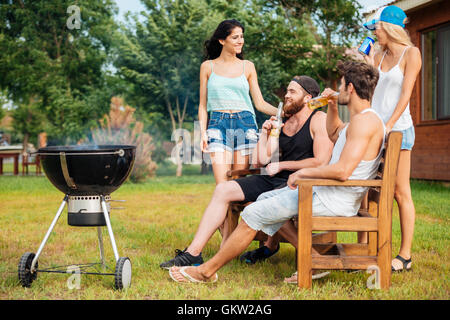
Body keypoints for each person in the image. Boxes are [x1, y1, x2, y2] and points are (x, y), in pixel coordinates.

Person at [168, 60, 384, 284]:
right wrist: (330, 104)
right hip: (327, 193)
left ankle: (206, 271)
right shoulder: (361, 121)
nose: (338, 90)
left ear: (350, 88)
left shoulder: (363, 123)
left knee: (254, 212)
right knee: (265, 199)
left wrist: (302, 174)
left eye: (340, 86)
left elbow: (342, 171)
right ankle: (309, 259)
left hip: (332, 198)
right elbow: (334, 131)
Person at [160, 76, 333, 269]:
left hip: (299, 182)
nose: (286, 95)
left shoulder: (319, 120)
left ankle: (302, 253)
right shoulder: (284, 121)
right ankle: (193, 253)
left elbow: (321, 161)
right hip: (272, 179)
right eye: (287, 91)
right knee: (222, 190)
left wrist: (283, 166)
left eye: (292, 92)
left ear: (308, 97)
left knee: (269, 202)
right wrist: (265, 135)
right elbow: (260, 160)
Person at [362, 5, 422, 272]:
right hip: (376, 129)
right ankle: (368, 247)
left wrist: (388, 124)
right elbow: (369, 90)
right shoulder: (378, 54)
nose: (374, 32)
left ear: (388, 28)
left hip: (398, 129)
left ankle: (405, 255)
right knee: (369, 189)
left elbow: (406, 94)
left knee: (399, 191)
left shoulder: (412, 54)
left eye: (377, 27)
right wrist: (366, 62)